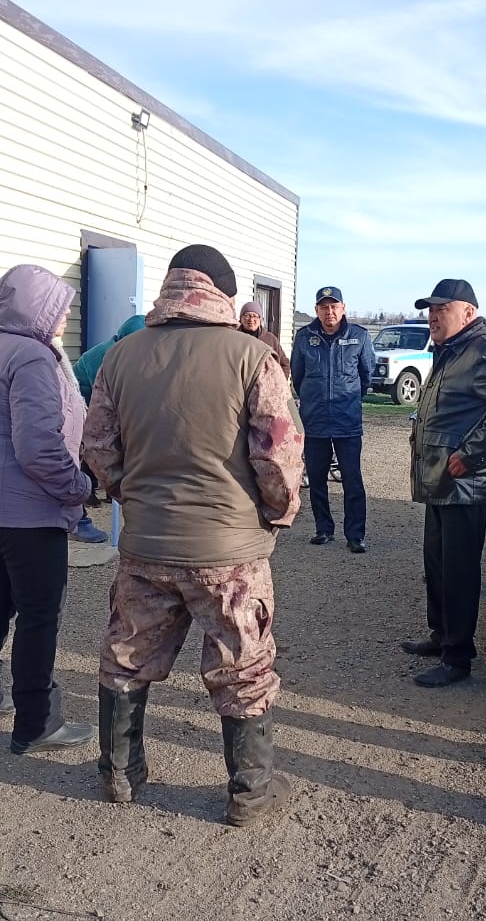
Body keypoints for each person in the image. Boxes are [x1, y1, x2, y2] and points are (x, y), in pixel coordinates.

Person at [84, 244, 303, 826]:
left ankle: (119, 774)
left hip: (146, 544)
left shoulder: (119, 357)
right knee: (243, 665)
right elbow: (278, 454)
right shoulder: (252, 357)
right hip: (228, 552)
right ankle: (250, 793)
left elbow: (98, 447)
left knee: (126, 656)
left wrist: (133, 497)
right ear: (224, 293)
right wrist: (276, 513)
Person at [0, 265, 94, 755]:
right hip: (30, 508)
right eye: (60, 307)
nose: (65, 316)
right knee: (39, 615)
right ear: (38, 308)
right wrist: (78, 487)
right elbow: (38, 446)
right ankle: (36, 722)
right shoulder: (32, 355)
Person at [401, 279, 486, 688]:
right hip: (442, 480)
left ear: (468, 313)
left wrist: (469, 454)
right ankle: (441, 635)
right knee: (437, 563)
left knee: (458, 570)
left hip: (465, 483)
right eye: (430, 310)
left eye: (443, 309)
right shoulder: (451, 348)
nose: (433, 317)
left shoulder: (482, 348)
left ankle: (458, 656)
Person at [291, 286, 375, 552]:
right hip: (315, 420)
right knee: (316, 479)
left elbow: (366, 375)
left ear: (343, 308)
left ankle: (355, 535)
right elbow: (297, 376)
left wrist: (348, 398)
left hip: (346, 420)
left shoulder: (359, 336)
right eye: (324, 307)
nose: (329, 312)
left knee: (352, 479)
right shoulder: (304, 337)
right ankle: (323, 529)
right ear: (317, 310)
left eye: (334, 306)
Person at [69, 313, 146, 542]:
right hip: (79, 408)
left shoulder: (126, 353)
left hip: (90, 408)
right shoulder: (106, 356)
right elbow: (105, 396)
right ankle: (79, 515)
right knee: (83, 457)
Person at [239, 302, 290, 378]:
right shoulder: (234, 337)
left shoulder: (271, 339)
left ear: (260, 320)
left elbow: (284, 364)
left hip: (265, 383)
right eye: (247, 315)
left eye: (255, 316)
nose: (251, 319)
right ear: (241, 318)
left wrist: (280, 382)